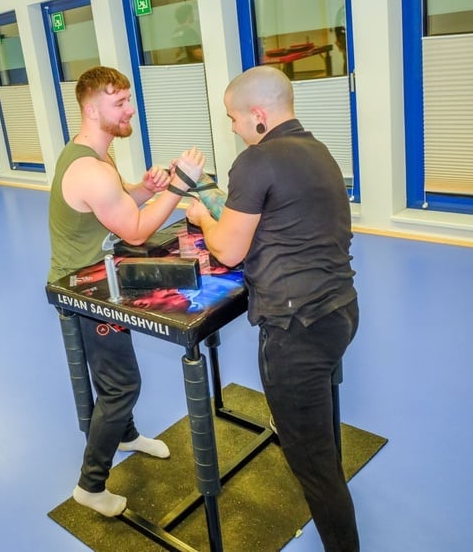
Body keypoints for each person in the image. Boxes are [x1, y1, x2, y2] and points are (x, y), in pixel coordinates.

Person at [186, 65, 359, 551]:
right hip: (341, 312)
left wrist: (201, 216)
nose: (235, 129)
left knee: (316, 470)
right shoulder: (319, 151)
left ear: (258, 115)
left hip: (296, 331)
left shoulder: (256, 161)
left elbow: (229, 250)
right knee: (316, 436)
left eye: (235, 120)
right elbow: (291, 220)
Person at [48, 65, 206, 518]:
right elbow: (135, 231)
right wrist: (179, 187)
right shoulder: (90, 169)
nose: (130, 109)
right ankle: (90, 485)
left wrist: (144, 189)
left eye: (128, 100)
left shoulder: (98, 155)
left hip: (100, 275)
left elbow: (117, 205)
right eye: (120, 103)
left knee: (113, 374)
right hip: (83, 288)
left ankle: (126, 436)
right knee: (121, 385)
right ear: (92, 108)